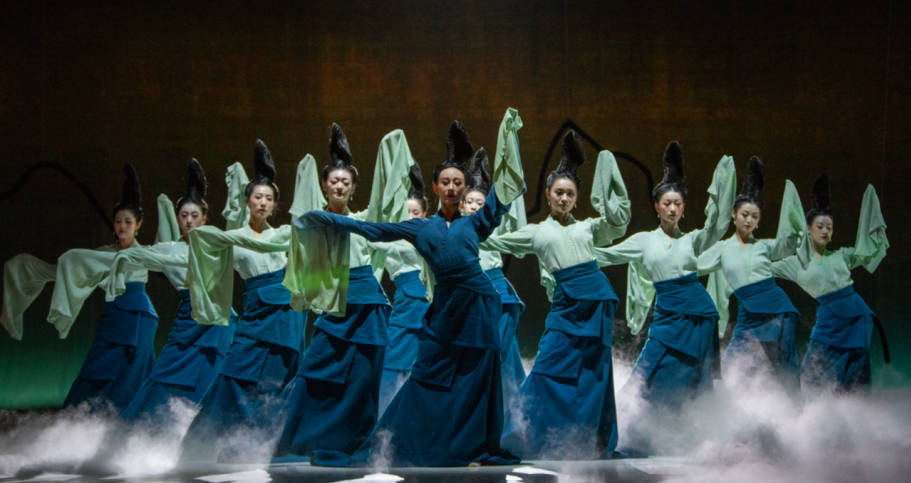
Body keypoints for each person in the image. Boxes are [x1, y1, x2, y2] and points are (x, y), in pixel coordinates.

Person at [289, 114, 524, 466]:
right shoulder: (420, 227)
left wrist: (508, 139)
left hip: (479, 306)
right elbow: (373, 230)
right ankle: (413, 442)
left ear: (464, 189)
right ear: (435, 188)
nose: (451, 188)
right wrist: (326, 218)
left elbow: (504, 193)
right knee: (428, 375)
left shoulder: (476, 222)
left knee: (477, 378)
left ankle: (472, 446)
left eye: (457, 183)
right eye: (444, 182)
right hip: (446, 309)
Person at [484, 130, 631, 460]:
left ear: (577, 198)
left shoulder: (588, 228)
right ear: (548, 194)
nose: (564, 198)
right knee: (546, 367)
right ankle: (519, 436)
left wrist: (607, 169)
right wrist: (458, 229)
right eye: (559, 193)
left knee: (594, 375)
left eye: (570, 194)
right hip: (567, 305)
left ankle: (591, 443)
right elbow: (494, 241)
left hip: (596, 302)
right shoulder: (536, 233)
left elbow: (618, 223)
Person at [274, 125, 413, 460]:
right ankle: (299, 440)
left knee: (361, 380)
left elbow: (382, 202)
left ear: (353, 188)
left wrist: (389, 149)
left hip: (367, 304)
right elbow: (299, 235)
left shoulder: (363, 219)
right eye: (334, 181)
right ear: (325, 185)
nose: (339, 185)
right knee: (314, 370)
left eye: (345, 182)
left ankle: (350, 442)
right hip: (335, 306)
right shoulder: (313, 222)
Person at [594, 142, 735, 451]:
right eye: (667, 203)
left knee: (694, 381)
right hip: (669, 315)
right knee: (645, 375)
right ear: (656, 206)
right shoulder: (644, 241)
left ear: (683, 208)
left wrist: (724, 185)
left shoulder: (693, 240)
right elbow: (606, 255)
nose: (672, 208)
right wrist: (570, 247)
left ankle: (689, 440)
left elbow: (718, 226)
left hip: (699, 316)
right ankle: (626, 434)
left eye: (677, 203)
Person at [178, 140, 310, 463]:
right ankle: (204, 442)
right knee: (234, 375)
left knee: (279, 382)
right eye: (257, 197)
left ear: (275, 205)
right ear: (247, 201)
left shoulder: (283, 235)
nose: (263, 202)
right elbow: (208, 256)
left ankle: (264, 445)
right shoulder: (234, 239)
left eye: (269, 198)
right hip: (256, 314)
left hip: (287, 315)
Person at [112, 159, 238, 421]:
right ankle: (144, 429)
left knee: (216, 377)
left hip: (218, 319)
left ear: (205, 218)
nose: (189, 221)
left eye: (195, 216)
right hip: (189, 318)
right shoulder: (168, 248)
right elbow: (140, 255)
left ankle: (208, 432)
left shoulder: (216, 243)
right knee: (165, 375)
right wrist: (118, 256)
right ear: (177, 217)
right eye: (183, 216)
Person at [52, 165, 160, 412]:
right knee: (96, 367)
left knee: (132, 373)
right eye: (118, 221)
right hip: (113, 314)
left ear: (138, 224)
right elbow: (79, 267)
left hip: (139, 317)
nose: (122, 226)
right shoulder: (103, 253)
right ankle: (77, 419)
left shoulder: (145, 253)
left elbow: (172, 260)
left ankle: (128, 423)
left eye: (128, 222)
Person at [697, 157, 808, 392]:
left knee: (784, 368)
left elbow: (788, 244)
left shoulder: (765, 246)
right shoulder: (722, 249)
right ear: (734, 213)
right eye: (745, 214)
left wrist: (793, 215)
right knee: (730, 367)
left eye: (754, 217)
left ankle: (796, 409)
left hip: (777, 309)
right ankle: (721, 407)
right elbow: (693, 266)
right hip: (748, 313)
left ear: (759, 221)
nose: (749, 220)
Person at [771, 173, 888, 393]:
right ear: (808, 228)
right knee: (811, 374)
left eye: (829, 227)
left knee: (854, 375)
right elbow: (762, 268)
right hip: (828, 318)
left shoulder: (841, 256)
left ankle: (852, 412)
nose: (825, 231)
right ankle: (816, 412)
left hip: (856, 315)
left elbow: (868, 250)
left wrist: (872, 219)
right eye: (820, 226)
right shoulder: (796, 263)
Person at [459, 120, 528, 411]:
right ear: (461, 205)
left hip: (498, 294)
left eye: (480, 202)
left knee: (501, 358)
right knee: (474, 361)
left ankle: (510, 417)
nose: (475, 206)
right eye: (470, 202)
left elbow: (510, 198)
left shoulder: (492, 228)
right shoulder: (453, 230)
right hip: (468, 298)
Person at [369, 163, 431, 416]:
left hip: (433, 304)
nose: (411, 217)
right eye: (406, 213)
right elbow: (369, 236)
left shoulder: (432, 237)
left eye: (416, 213)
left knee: (427, 362)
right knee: (395, 359)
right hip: (407, 304)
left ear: (424, 215)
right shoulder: (391, 241)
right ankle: (384, 416)